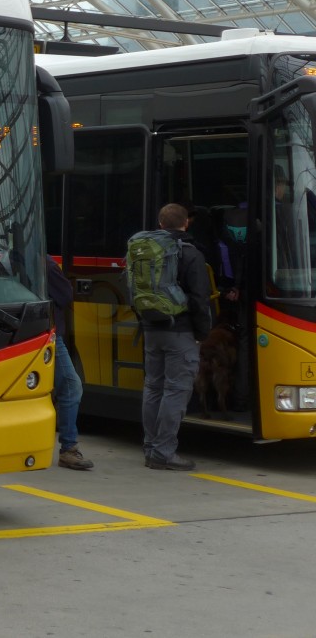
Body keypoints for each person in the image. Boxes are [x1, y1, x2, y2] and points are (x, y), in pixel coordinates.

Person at [139, 202, 213, 472]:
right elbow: (199, 298)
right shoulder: (191, 254)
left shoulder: (146, 251)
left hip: (151, 329)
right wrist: (202, 333)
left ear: (160, 225)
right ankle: (164, 452)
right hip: (180, 331)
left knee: (153, 388)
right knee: (176, 391)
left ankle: (150, 448)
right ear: (186, 224)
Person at [46, 255, 93, 470]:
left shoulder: (8, 259)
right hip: (49, 336)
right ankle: (68, 449)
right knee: (71, 387)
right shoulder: (45, 263)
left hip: (29, 334)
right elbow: (65, 296)